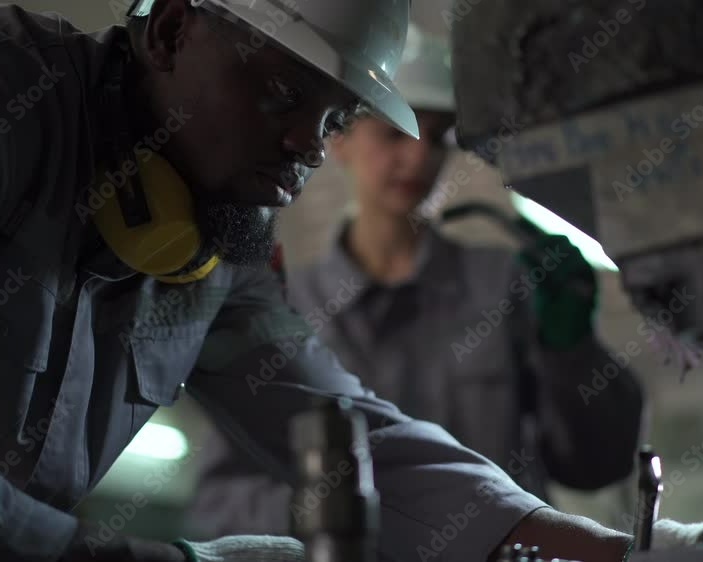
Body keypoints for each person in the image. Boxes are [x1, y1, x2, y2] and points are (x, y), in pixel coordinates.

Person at [0, 1, 703, 561]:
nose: (303, 148)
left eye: (328, 121)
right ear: (170, 29)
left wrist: (604, 551)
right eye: (282, 94)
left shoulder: (211, 239)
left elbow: (343, 428)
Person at [187, 23, 645, 538]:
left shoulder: (506, 287)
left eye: (440, 137)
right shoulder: (285, 306)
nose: (418, 156)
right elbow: (221, 503)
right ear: (337, 140)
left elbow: (597, 466)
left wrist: (573, 350)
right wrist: (346, 517)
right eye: (396, 134)